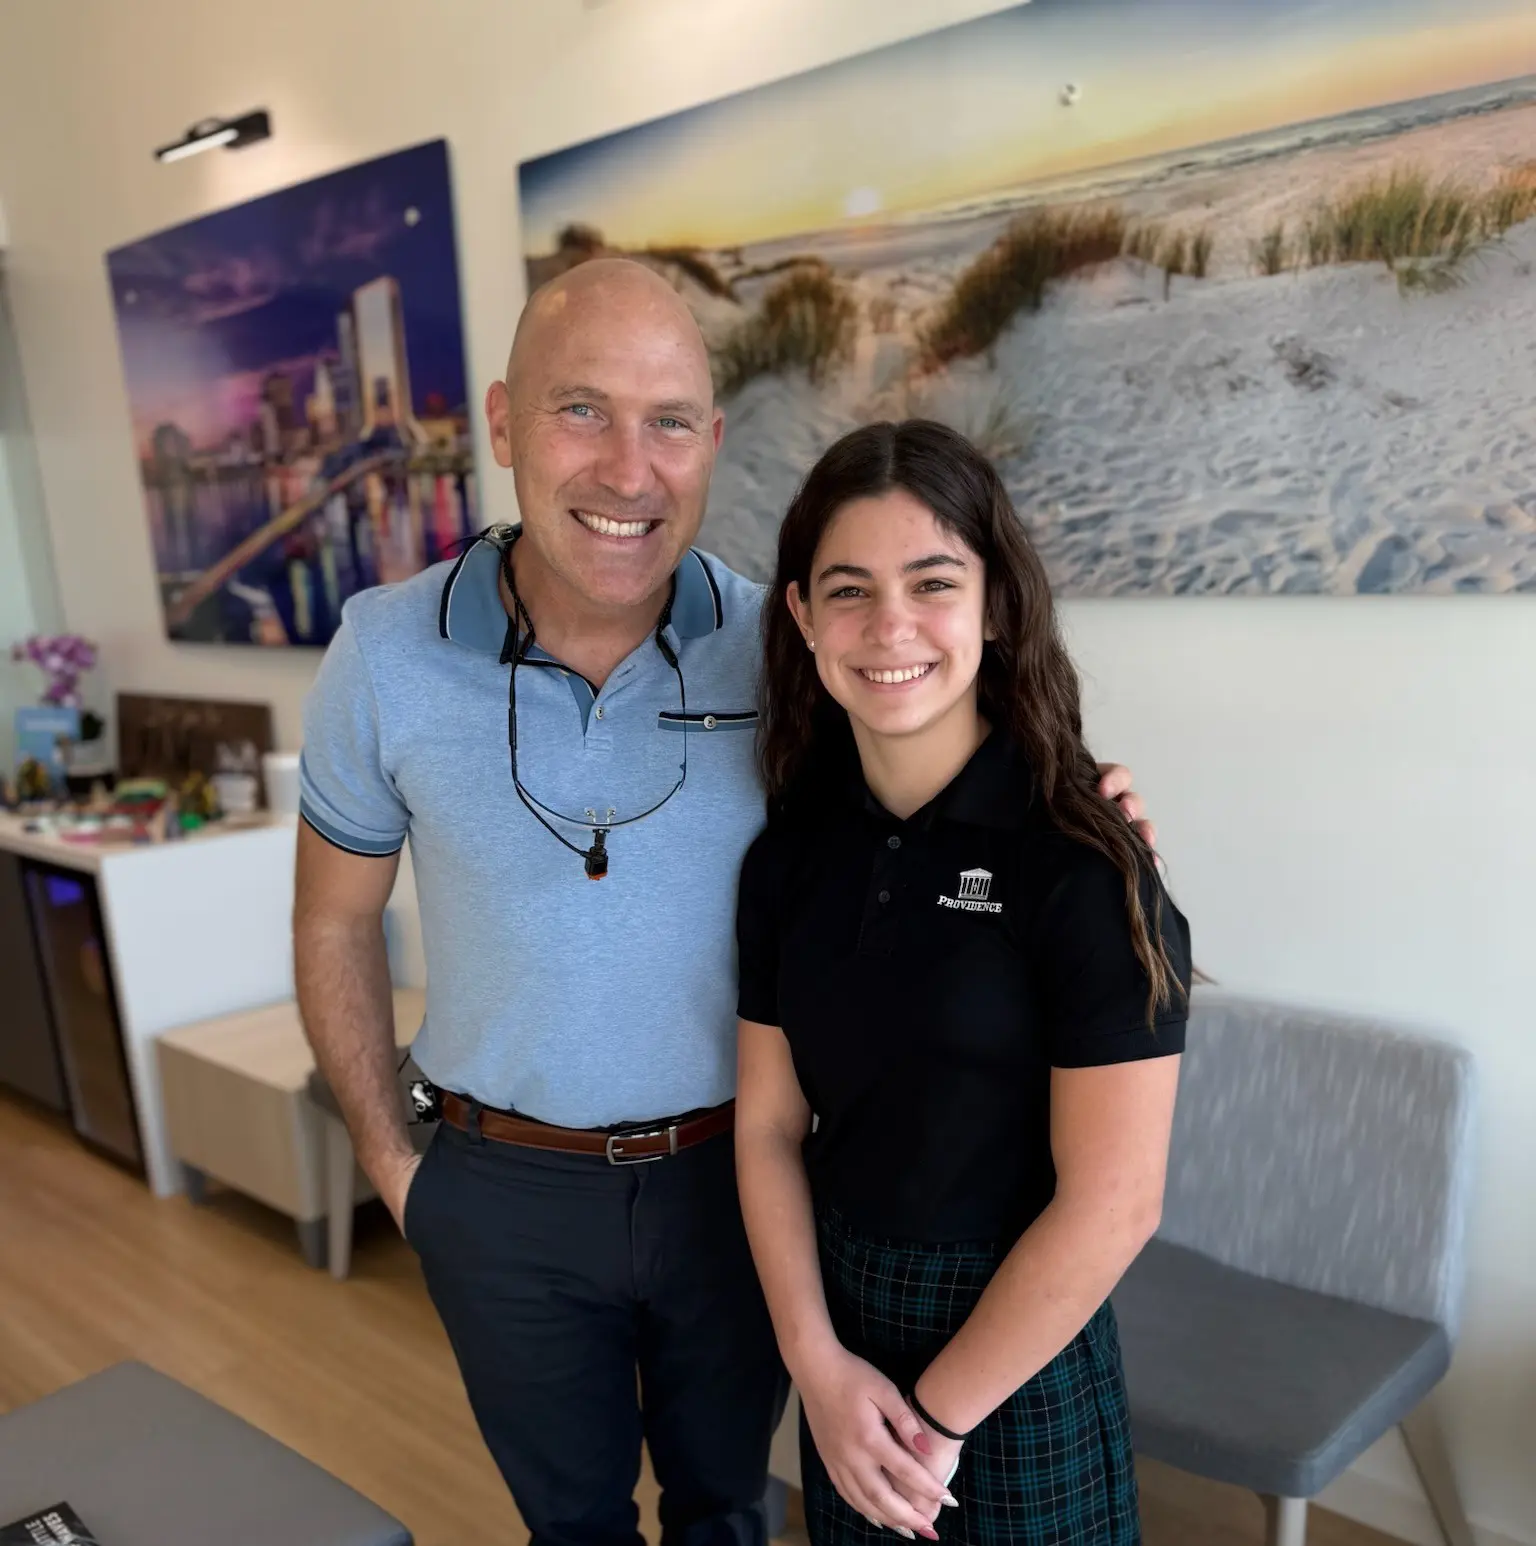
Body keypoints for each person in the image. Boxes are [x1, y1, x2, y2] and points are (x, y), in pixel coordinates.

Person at [294, 260, 1160, 1546]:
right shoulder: (382, 651)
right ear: (501, 422)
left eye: (672, 422)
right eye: (582, 410)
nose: (629, 471)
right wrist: (391, 1161)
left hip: (737, 1186)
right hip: (502, 1188)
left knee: (729, 1513)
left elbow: (917, 768)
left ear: (712, 437)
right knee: (570, 1526)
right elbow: (333, 921)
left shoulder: (779, 645)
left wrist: (1081, 812)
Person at [734, 419, 1192, 1545]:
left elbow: (1117, 1202)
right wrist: (817, 1366)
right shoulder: (787, 854)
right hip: (844, 1343)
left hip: (1016, 1360)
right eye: (848, 590)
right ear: (801, 616)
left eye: (932, 582)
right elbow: (768, 1127)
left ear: (993, 602)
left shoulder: (1086, 857)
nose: (889, 626)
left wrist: (933, 1425)